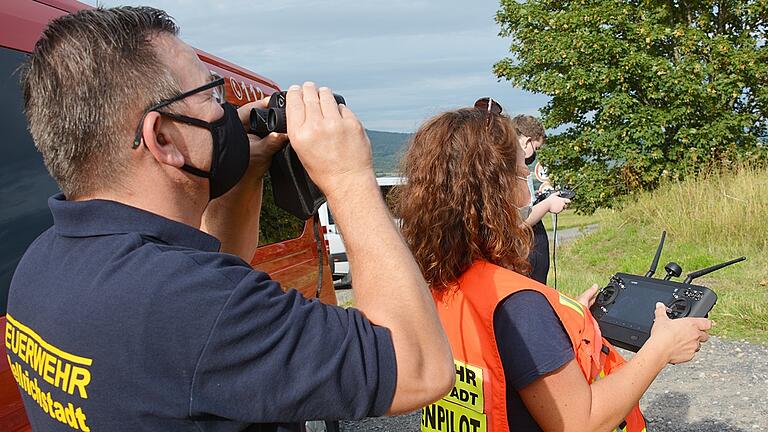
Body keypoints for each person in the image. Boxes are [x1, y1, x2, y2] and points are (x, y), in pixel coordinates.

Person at [5, 7, 454, 432]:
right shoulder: (188, 303)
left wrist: (246, 174)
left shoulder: (44, 263)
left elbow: (213, 275)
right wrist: (349, 176)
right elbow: (419, 368)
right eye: (210, 95)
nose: (225, 112)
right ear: (162, 136)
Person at [396, 102, 712, 432]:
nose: (525, 188)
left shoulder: (436, 282)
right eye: (522, 174)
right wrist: (661, 347)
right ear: (500, 189)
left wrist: (562, 325)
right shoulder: (519, 306)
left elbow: (500, 354)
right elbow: (580, 422)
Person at [511, 113, 570, 285]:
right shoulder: (510, 169)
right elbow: (520, 219)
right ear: (526, 141)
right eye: (535, 149)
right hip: (523, 251)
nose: (532, 157)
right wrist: (548, 204)